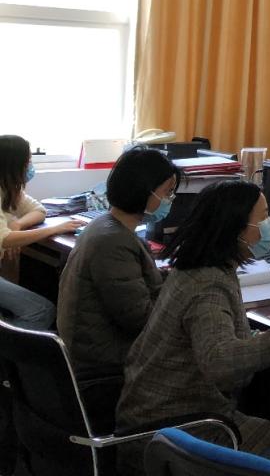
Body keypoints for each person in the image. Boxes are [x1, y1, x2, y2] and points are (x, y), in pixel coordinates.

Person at [116, 181, 270, 476]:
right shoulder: (209, 285)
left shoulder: (194, 268)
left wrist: (259, 338)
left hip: (153, 415)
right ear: (235, 228)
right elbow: (220, 363)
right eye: (263, 216)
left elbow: (210, 339)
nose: (268, 226)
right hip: (180, 425)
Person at [57, 147, 179, 378]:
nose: (170, 199)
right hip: (103, 368)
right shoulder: (113, 242)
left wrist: (181, 278)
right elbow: (142, 319)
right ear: (144, 190)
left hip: (97, 352)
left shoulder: (107, 225)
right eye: (167, 192)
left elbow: (139, 281)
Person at [0, 134, 85, 330]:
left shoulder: (8, 189)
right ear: (13, 165)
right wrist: (54, 229)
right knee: (42, 311)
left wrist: (18, 224)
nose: (30, 167)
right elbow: (5, 239)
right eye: (27, 162)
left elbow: (39, 210)